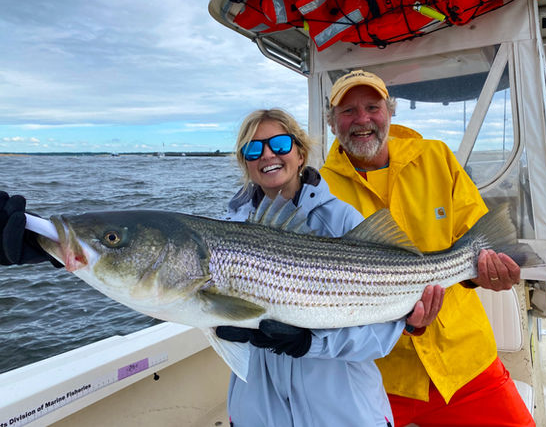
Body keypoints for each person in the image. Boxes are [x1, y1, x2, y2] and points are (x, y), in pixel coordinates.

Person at [0, 108, 445, 427]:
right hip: (258, 414)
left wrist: (309, 342)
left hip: (343, 414)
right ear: (244, 162)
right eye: (253, 148)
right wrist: (44, 245)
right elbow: (153, 289)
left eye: (280, 144)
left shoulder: (341, 219)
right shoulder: (223, 229)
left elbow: (383, 333)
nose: (268, 154)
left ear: (300, 151)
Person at [320, 70, 535, 427]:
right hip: (377, 375)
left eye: (372, 107)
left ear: (390, 111)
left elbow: (475, 237)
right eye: (348, 111)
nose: (362, 120)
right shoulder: (320, 188)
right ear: (331, 122)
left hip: (462, 360)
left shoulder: (435, 156)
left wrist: (486, 270)